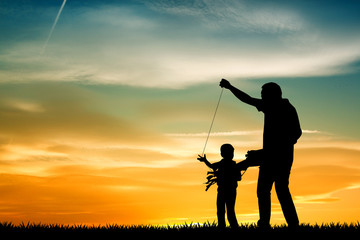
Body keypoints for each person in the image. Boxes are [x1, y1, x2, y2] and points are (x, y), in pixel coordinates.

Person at [219, 79, 302, 228]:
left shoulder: (282, 108)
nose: (262, 97)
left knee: (277, 190)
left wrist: (262, 153)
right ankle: (269, 224)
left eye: (264, 94)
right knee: (267, 190)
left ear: (273, 95)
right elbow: (248, 99)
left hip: (279, 158)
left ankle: (288, 224)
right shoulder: (275, 106)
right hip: (273, 157)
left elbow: (295, 134)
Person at [197, 144, 243, 228]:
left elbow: (212, 166)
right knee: (227, 210)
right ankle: (231, 227)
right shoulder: (233, 165)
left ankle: (226, 227)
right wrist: (205, 161)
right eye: (230, 153)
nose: (231, 155)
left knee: (224, 210)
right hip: (228, 190)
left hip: (224, 190)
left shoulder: (225, 164)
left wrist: (205, 161)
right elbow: (239, 178)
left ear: (221, 154)